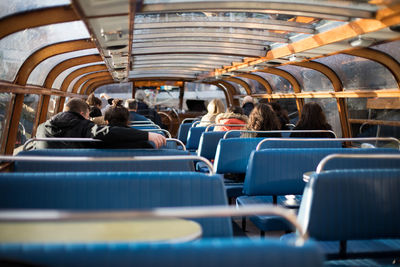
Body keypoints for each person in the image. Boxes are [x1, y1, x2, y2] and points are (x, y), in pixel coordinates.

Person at [35, 98, 166, 149]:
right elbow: (109, 132)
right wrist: (147, 135)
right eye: (87, 116)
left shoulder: (41, 128)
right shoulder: (82, 126)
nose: (88, 119)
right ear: (82, 114)